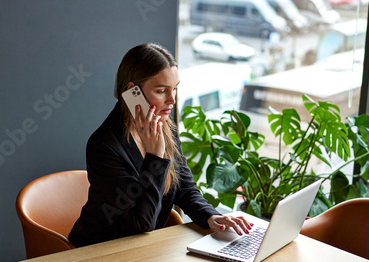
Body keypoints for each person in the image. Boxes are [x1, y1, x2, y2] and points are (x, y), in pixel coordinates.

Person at [68, 43, 253, 247]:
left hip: (143, 249)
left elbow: (184, 187)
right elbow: (143, 222)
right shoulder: (104, 146)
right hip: (98, 249)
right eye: (161, 90)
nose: (172, 99)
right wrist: (155, 157)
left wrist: (211, 216)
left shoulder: (165, 128)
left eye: (174, 89)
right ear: (132, 92)